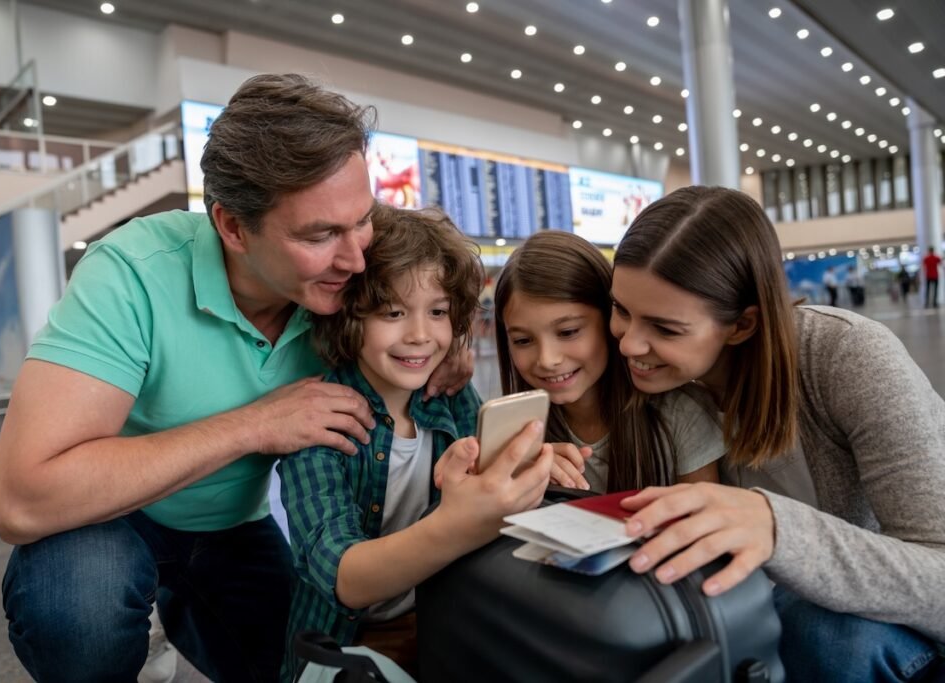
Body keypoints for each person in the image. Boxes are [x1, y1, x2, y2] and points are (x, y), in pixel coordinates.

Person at [0, 74, 472, 682]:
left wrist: (448, 343)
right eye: (319, 235)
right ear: (233, 227)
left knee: (292, 665)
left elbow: (430, 284)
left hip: (234, 530)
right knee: (80, 612)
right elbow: (21, 499)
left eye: (362, 220)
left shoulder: (346, 283)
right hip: (109, 524)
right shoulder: (131, 272)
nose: (354, 257)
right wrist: (254, 425)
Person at [607, 186, 945, 682]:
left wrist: (776, 528)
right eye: (620, 310)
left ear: (743, 324)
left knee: (824, 633)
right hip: (766, 629)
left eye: (665, 328)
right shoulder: (661, 381)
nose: (630, 343)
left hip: (880, 637)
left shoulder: (846, 356)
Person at [279, 204, 553, 680]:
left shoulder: (449, 395)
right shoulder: (318, 418)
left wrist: (532, 468)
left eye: (439, 312)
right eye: (393, 312)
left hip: (443, 621)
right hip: (346, 643)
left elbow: (490, 488)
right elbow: (340, 574)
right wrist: (456, 522)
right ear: (348, 314)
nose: (421, 336)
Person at [492, 230, 723, 492]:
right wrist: (520, 476)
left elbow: (703, 520)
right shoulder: (508, 433)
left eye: (568, 332)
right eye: (523, 340)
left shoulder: (680, 415)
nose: (547, 360)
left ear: (612, 319)